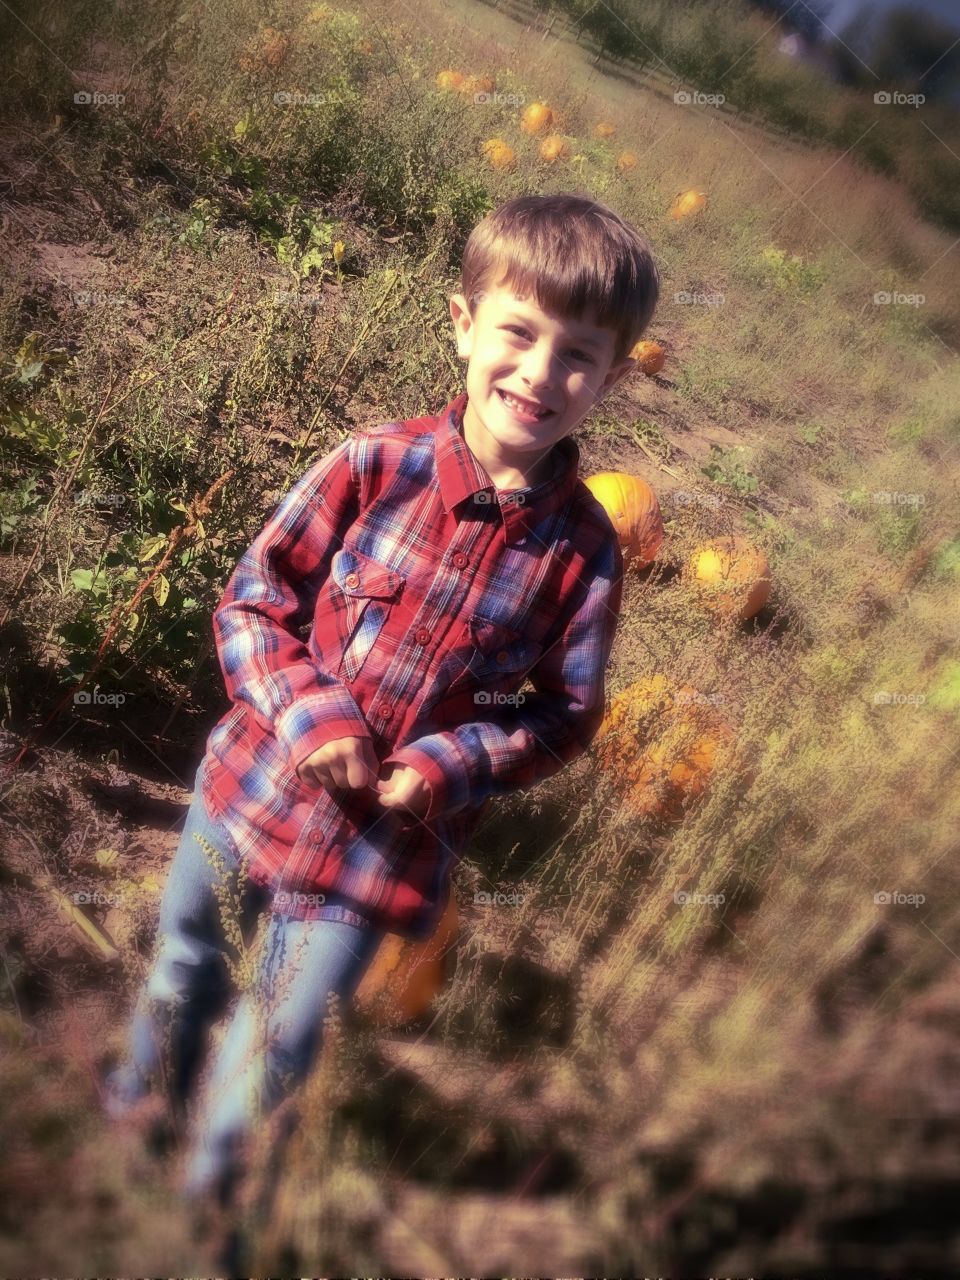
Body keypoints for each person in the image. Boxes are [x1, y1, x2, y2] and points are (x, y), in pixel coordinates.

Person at [100, 190, 660, 1226]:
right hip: (248, 795)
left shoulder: (585, 554)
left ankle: (200, 1210)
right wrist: (311, 714)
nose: (541, 373)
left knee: (278, 1042)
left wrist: (451, 764)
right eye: (519, 333)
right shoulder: (371, 464)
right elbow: (253, 600)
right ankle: (131, 1123)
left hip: (381, 856)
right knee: (184, 964)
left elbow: (567, 715)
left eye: (579, 354)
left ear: (614, 376)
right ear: (463, 325)